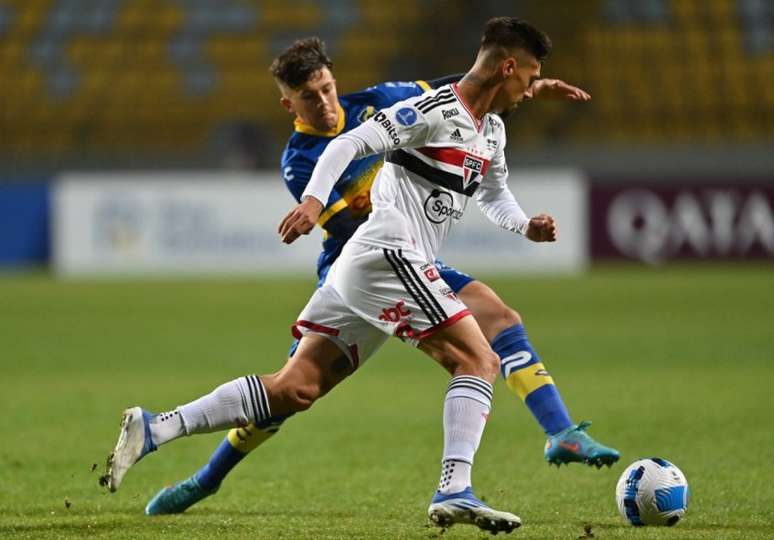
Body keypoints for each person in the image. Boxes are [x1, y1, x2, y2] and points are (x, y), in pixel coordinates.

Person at [106, 19, 617, 533]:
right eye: (528, 75)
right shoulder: (425, 113)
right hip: (387, 254)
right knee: (477, 357)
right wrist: (313, 201)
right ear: (507, 67)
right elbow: (344, 147)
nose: (531, 87)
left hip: (371, 269)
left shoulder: (489, 129)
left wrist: (525, 225)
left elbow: (491, 191)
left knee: (295, 389)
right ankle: (455, 488)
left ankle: (155, 428)